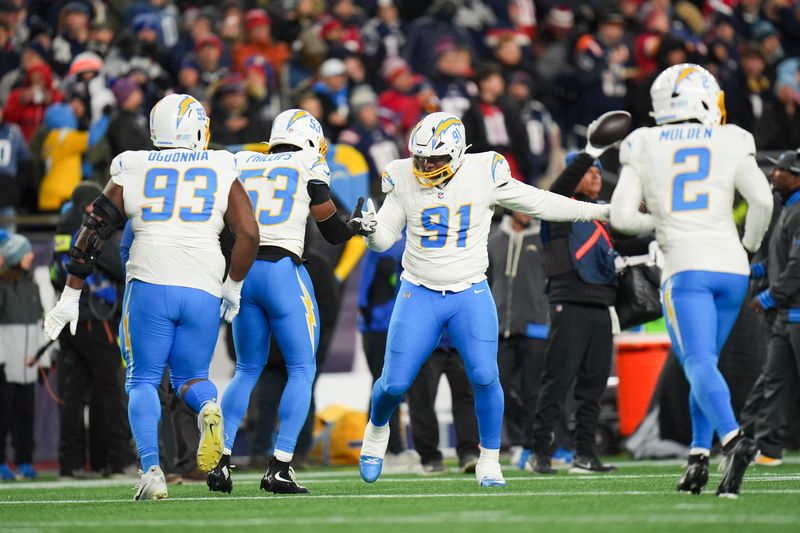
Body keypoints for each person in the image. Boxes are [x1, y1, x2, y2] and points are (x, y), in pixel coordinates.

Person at [354, 111, 610, 487]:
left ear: (457, 154)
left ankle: (489, 459)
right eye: (420, 157)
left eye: (434, 159)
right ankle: (377, 430)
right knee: (393, 384)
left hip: (469, 291)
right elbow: (385, 239)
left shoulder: (483, 172)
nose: (425, 165)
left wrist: (600, 211)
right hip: (418, 290)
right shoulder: (403, 176)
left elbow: (540, 203)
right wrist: (370, 231)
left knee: (485, 376)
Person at [43, 93, 259, 501]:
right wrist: (233, 286)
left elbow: (93, 229)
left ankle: (152, 470)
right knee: (192, 379)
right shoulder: (220, 163)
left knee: (142, 379)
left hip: (150, 278)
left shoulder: (132, 164)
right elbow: (249, 233)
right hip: (203, 283)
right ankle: (208, 410)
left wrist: (71, 292)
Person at [610, 64, 774, 497]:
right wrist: (751, 245)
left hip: (686, 267)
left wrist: (662, 221)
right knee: (704, 366)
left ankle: (734, 441)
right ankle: (698, 459)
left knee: (697, 362)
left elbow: (624, 217)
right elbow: (761, 200)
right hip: (732, 268)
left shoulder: (643, 142)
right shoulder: (732, 137)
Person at [207, 109, 369, 495]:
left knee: (247, 369)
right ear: (311, 139)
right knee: (301, 368)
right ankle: (279, 466)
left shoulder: (241, 159)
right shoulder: (308, 159)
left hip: (243, 272)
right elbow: (330, 229)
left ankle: (222, 463)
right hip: (283, 270)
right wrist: (355, 227)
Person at [51, 182, 130, 479]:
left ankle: (70, 464)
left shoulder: (62, 232)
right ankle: (116, 461)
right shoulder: (89, 230)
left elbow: (55, 275)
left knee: (74, 394)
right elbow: (119, 266)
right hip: (95, 319)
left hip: (70, 316)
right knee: (109, 391)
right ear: (88, 205)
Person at [747, 150, 800, 466]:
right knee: (776, 380)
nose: (772, 175)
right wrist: (748, 270)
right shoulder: (789, 212)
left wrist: (768, 297)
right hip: (786, 316)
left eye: (779, 171)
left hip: (794, 312)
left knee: (777, 380)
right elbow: (780, 262)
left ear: (796, 177)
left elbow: (797, 268)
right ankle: (768, 449)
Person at [487, 210, 549, 467]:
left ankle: (529, 444)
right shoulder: (493, 239)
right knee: (500, 387)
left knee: (533, 390)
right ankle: (516, 439)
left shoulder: (542, 239)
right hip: (501, 328)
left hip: (535, 326)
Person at [0, 231, 47, 480]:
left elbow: (39, 324)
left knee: (25, 416)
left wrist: (42, 359)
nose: (31, 255)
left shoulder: (33, 286)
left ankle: (25, 461)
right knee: (3, 416)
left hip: (28, 366)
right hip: (5, 366)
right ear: (15, 256)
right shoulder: (2, 286)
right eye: (26, 251)